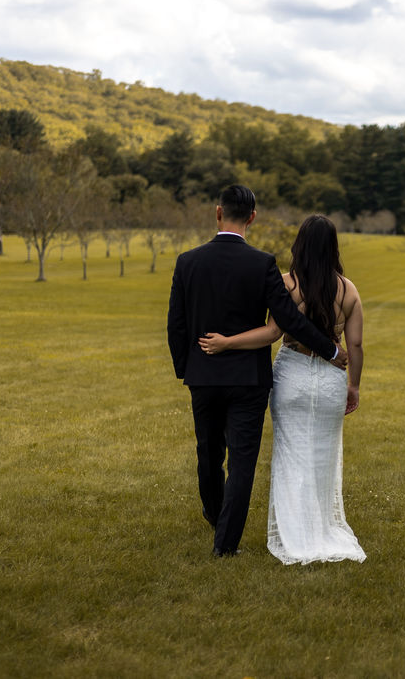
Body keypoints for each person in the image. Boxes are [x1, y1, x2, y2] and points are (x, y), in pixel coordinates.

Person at [167, 185, 346, 557]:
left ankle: (216, 516)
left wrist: (187, 369)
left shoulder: (188, 261)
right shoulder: (262, 263)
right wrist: (331, 349)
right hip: (248, 379)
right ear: (252, 217)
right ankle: (226, 545)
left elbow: (176, 325)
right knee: (242, 460)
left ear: (218, 212)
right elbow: (289, 321)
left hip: (203, 376)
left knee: (208, 452)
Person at [198, 214, 366, 565]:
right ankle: (321, 529)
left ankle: (293, 536)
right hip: (332, 381)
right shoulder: (349, 291)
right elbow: (357, 345)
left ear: (299, 244)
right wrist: (354, 387)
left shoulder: (288, 284)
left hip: (292, 375)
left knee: (290, 455)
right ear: (333, 246)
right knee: (323, 458)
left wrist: (227, 343)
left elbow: (274, 332)